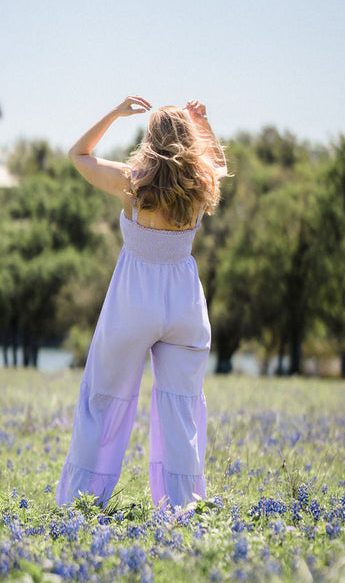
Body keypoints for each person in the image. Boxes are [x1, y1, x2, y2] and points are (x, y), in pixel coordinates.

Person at [56, 95, 227, 510]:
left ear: (149, 139)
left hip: (133, 301)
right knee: (181, 408)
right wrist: (204, 125)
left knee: (105, 396)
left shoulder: (133, 181)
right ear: (190, 141)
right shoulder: (201, 184)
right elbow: (217, 163)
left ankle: (83, 500)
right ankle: (184, 507)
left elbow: (78, 154)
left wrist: (114, 113)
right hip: (184, 306)